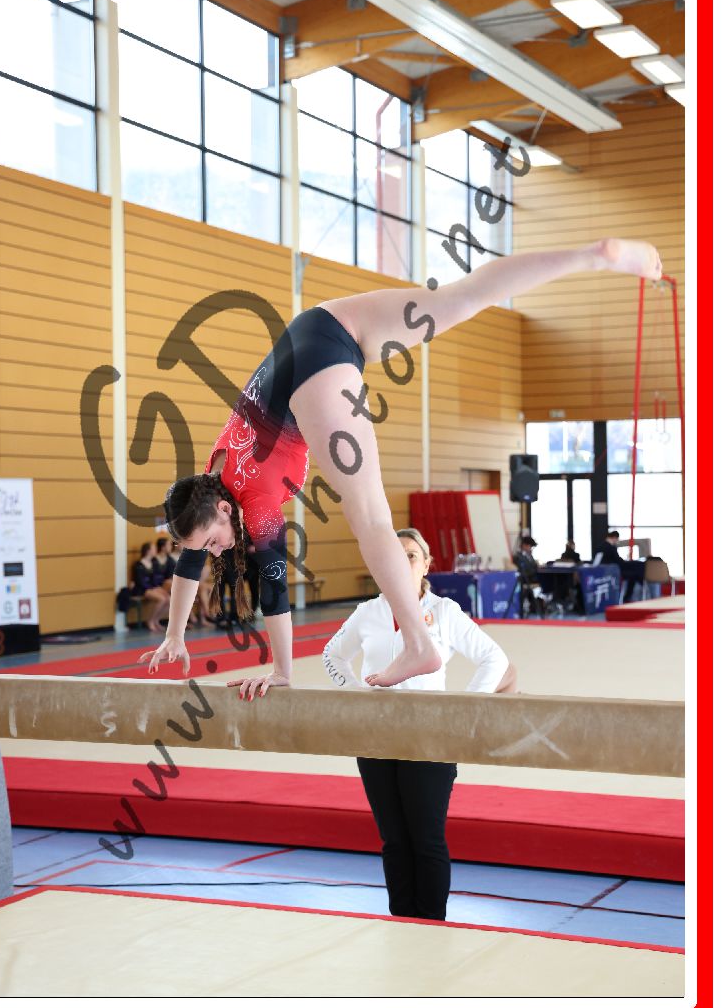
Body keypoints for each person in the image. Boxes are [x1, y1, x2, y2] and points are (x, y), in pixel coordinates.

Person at [140, 238, 662, 696]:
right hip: (323, 325)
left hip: (311, 386)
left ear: (223, 509)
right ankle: (595, 256)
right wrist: (176, 635)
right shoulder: (212, 475)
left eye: (214, 541)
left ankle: (417, 642)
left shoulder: (252, 502)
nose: (216, 551)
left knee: (370, 517)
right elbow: (189, 555)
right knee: (463, 297)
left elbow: (273, 590)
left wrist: (282, 672)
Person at [322, 528, 516, 920]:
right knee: (393, 840)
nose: (402, 561)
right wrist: (356, 693)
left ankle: (430, 925)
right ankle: (402, 922)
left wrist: (463, 708)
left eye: (411, 555)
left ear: (426, 564)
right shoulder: (368, 612)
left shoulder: (443, 611)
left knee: (426, 839)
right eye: (394, 554)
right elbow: (332, 655)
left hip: (429, 737)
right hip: (376, 736)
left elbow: (494, 658)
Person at [131, 541, 170, 634]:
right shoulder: (138, 565)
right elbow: (140, 581)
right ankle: (150, 620)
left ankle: (156, 620)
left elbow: (155, 578)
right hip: (141, 589)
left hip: (152, 587)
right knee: (161, 599)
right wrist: (152, 588)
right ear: (148, 551)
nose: (156, 550)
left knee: (169, 599)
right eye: (154, 549)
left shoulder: (154, 563)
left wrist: (157, 587)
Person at [513, 535, 544, 617]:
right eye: (530, 546)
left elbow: (533, 566)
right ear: (524, 545)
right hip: (527, 579)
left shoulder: (529, 555)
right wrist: (535, 569)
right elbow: (524, 570)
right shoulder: (518, 557)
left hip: (534, 577)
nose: (530, 548)